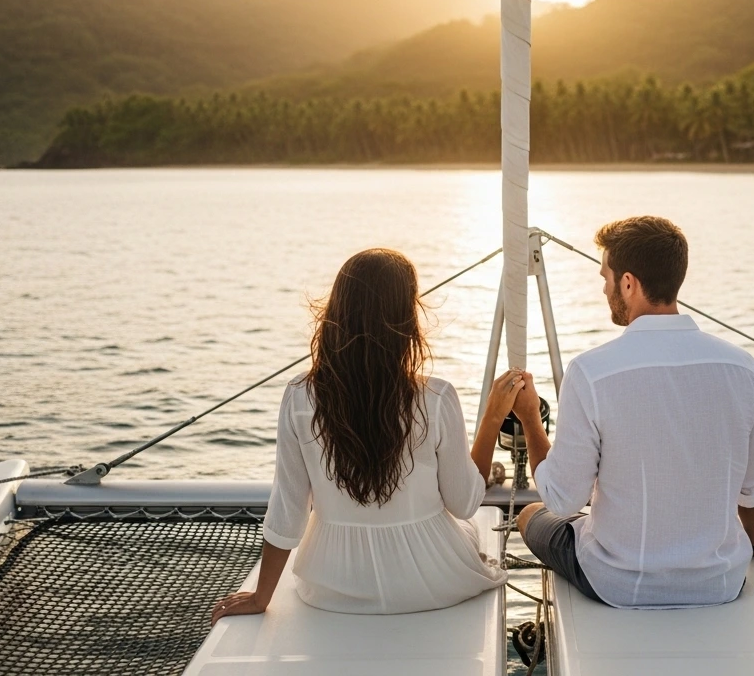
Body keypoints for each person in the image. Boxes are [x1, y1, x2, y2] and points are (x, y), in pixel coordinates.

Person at [212, 248, 526, 621]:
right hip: (429, 581)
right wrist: (492, 418)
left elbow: (288, 511)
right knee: (468, 531)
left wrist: (261, 597)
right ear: (406, 321)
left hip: (334, 584)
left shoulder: (299, 397)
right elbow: (465, 504)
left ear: (335, 316)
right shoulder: (437, 397)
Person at [512, 216, 754, 610]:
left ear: (629, 283)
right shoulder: (741, 367)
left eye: (605, 277)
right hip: (721, 582)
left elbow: (562, 499)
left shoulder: (592, 372)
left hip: (619, 584)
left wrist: (529, 418)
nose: (605, 287)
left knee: (531, 514)